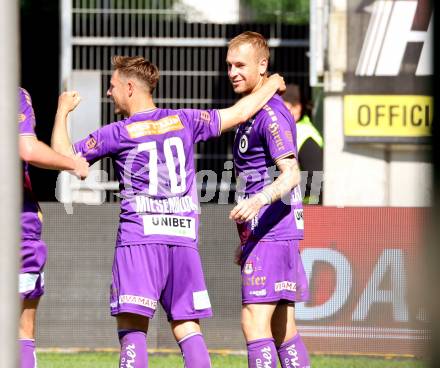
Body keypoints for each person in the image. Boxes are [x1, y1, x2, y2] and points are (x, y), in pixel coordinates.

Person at [51, 55, 285, 368]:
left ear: (130, 87)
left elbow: (63, 158)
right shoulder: (185, 120)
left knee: (132, 331)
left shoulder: (117, 132)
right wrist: (270, 82)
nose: (109, 93)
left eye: (112, 86)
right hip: (183, 240)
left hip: (140, 240)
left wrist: (62, 111)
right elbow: (240, 111)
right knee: (188, 329)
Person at [227, 32, 311, 368]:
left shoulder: (270, 115)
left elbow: (291, 173)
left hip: (273, 232)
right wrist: (249, 237)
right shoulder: (251, 111)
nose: (232, 72)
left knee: (253, 321)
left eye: (240, 65)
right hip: (270, 233)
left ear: (262, 65)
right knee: (283, 328)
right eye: (229, 65)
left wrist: (258, 201)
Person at [18, 87, 89, 368]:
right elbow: (27, 148)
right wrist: (72, 163)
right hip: (16, 226)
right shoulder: (14, 94)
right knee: (22, 330)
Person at [283, 83, 323, 204]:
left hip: (306, 212)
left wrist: (281, 191)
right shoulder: (292, 130)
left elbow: (316, 179)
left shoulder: (303, 134)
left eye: (282, 108)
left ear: (297, 108)